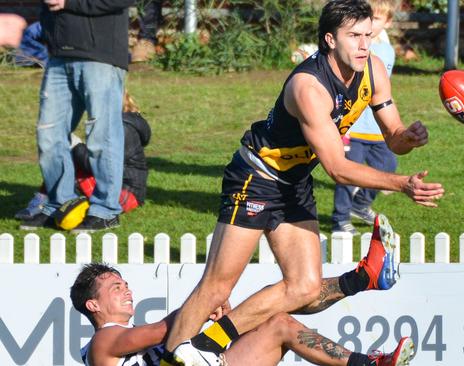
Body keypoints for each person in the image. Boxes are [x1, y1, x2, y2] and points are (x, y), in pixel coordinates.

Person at [163, 1, 445, 364]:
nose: (364, 45)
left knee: (305, 287)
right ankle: (168, 357)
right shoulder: (308, 87)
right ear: (330, 39)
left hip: (293, 180)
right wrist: (402, 184)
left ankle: (206, 345)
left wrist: (410, 136)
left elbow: (393, 136)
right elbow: (338, 169)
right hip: (256, 176)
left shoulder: (374, 70)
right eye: (354, 36)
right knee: (218, 285)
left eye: (368, 35)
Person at [71, 263, 415, 366]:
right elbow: (161, 331)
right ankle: (360, 278)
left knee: (280, 322)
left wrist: (208, 312)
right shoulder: (102, 342)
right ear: (93, 305)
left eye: (125, 283)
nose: (127, 289)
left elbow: (175, 334)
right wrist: (204, 306)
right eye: (115, 287)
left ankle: (368, 363)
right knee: (265, 298)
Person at [19, 0, 134, 232]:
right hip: (59, 56)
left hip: (100, 54)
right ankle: (60, 204)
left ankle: (105, 210)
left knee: (102, 134)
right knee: (49, 135)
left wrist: (68, 2)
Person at [18, 90, 151, 229]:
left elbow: (99, 164)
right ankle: (49, 202)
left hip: (126, 192)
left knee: (71, 161)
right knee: (62, 158)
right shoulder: (114, 122)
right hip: (110, 183)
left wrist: (75, 145)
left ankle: (47, 201)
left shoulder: (123, 129)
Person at [332, 0, 398, 235]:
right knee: (347, 174)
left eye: (378, 19)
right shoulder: (351, 48)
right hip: (354, 129)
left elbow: (382, 92)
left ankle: (360, 205)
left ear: (388, 23)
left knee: (388, 167)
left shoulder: (388, 52)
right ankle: (340, 219)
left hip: (378, 129)